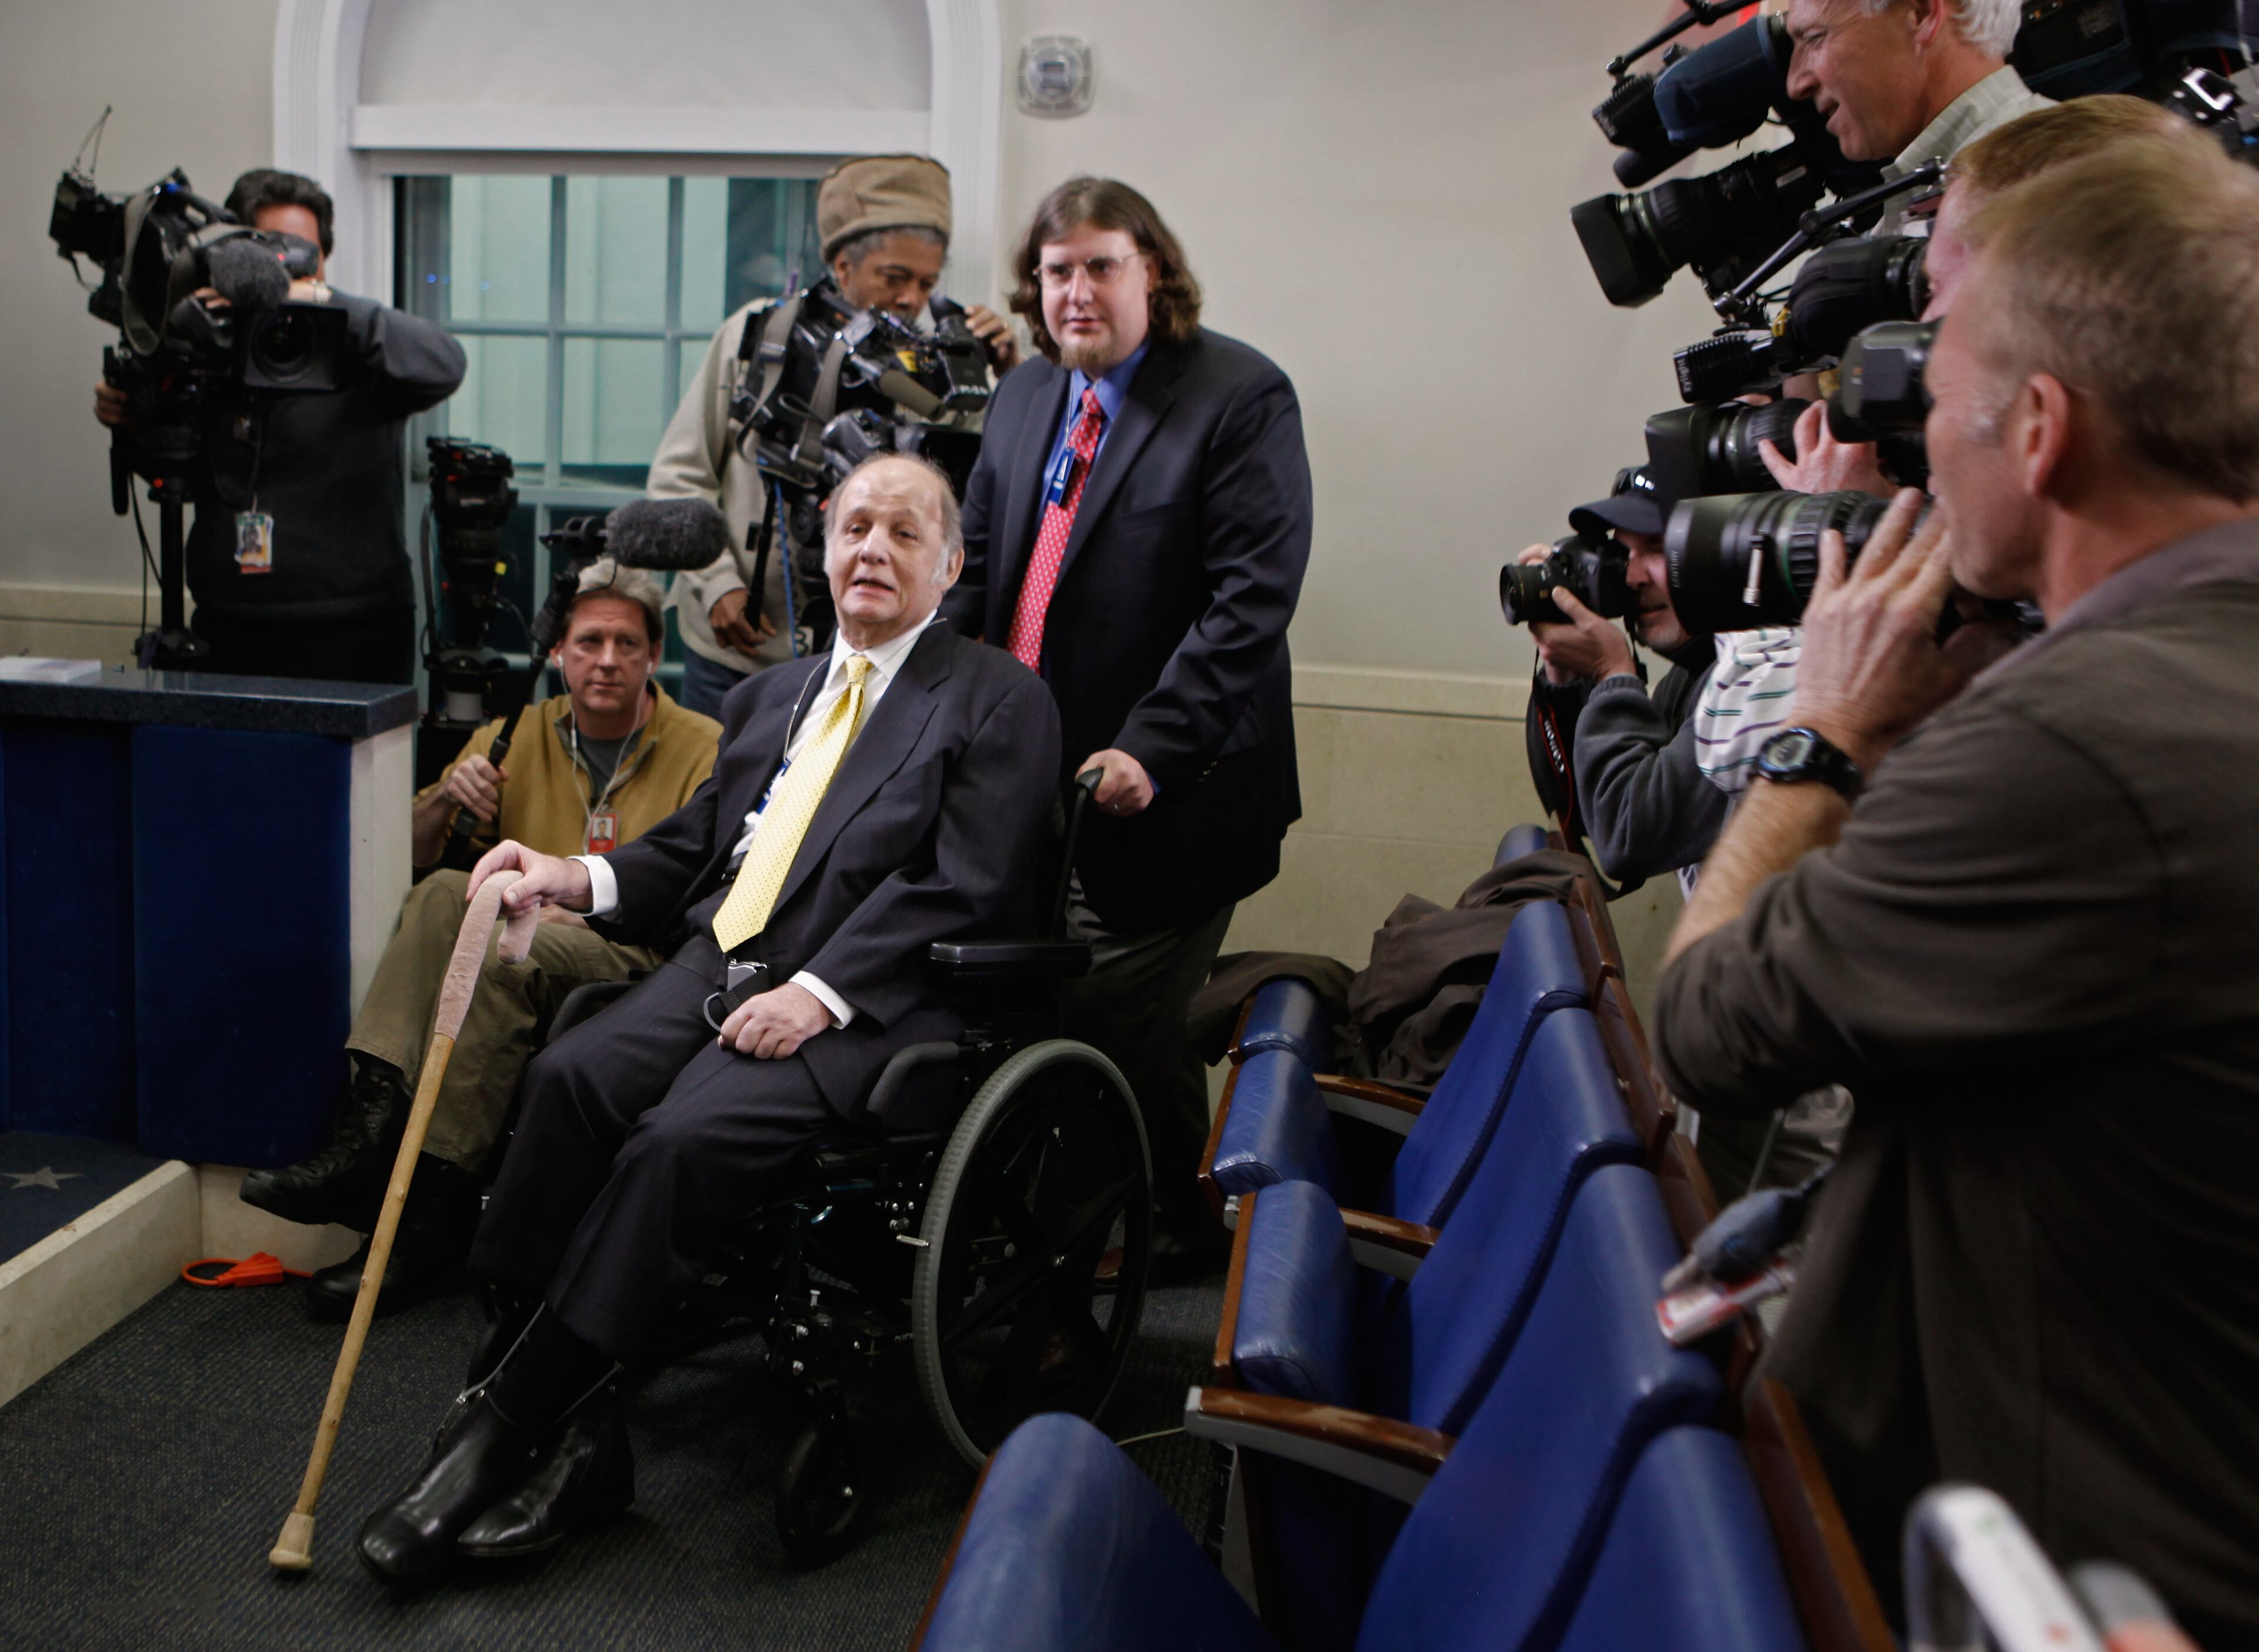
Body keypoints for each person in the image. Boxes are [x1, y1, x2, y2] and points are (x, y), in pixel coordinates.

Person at [1652, 135, 2259, 1644]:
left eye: (1938, 410)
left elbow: (1709, 1019)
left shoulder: (2064, 742)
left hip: (2077, 1549)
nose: (1919, 458)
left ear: (2039, 432)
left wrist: (1825, 733)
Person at [354, 454, 1059, 1579]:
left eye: (905, 533)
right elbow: (698, 848)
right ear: (824, 549)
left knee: (677, 1141)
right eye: (856, 527)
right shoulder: (771, 695)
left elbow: (963, 884)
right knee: (566, 1081)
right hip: (715, 963)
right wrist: (570, 876)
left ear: (953, 561)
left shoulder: (996, 698)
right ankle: (576, 1431)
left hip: (867, 1003)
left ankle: (494, 1435)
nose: (873, 549)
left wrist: (819, 992)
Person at [948, 177, 1313, 1279]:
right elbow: (976, 577)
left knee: (1103, 1001)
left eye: (1102, 265)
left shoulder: (1240, 395)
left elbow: (1251, 598)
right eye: (1057, 272)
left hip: (1179, 784)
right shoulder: (1022, 400)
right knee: (1095, 1012)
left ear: (1152, 268)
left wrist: (1152, 744)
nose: (1077, 292)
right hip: (1031, 781)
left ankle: (1087, 1253)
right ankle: (1167, 1217)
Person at [239, 562, 721, 1316]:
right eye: (589, 640)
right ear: (559, 652)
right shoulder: (516, 732)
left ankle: (430, 1221)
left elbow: (708, 889)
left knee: (504, 954)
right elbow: (414, 849)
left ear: (654, 656)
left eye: (627, 643)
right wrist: (446, 801)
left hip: (635, 952)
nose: (607, 659)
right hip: (528, 930)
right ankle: (368, 1137)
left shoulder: (705, 748)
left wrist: (583, 908)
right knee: (436, 895)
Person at [1707, 96, 2188, 801]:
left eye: (1932, 288)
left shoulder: (2085, 712)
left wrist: (1835, 543)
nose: (1918, 322)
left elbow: (1732, 741)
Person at [647, 154, 1021, 717]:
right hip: (737, 654)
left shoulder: (932, 365)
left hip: (874, 662)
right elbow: (679, 476)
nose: (911, 300)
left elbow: (974, 496)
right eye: (894, 278)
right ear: (843, 267)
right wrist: (717, 584)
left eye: (925, 283)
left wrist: (1003, 376)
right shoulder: (760, 337)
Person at [93, 169, 465, 683]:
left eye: (301, 255)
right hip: (229, 627)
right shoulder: (207, 349)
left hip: (353, 633)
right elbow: (176, 471)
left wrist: (320, 303)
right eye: (269, 255)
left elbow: (445, 364)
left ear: (324, 260)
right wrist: (132, 419)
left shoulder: (360, 346)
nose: (284, 270)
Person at [1515, 465, 1722, 892]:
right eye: (1623, 554)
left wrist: (1612, 674)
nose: (1632, 576)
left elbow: (1629, 838)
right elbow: (1587, 810)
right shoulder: (1691, 675)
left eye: (1657, 548)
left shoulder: (1744, 687)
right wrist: (1566, 679)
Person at [1783, 0, 2048, 231]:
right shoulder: (2048, 175)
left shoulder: (2039, 195)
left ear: (1920, 14)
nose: (1796, 85)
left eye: (1815, 38)